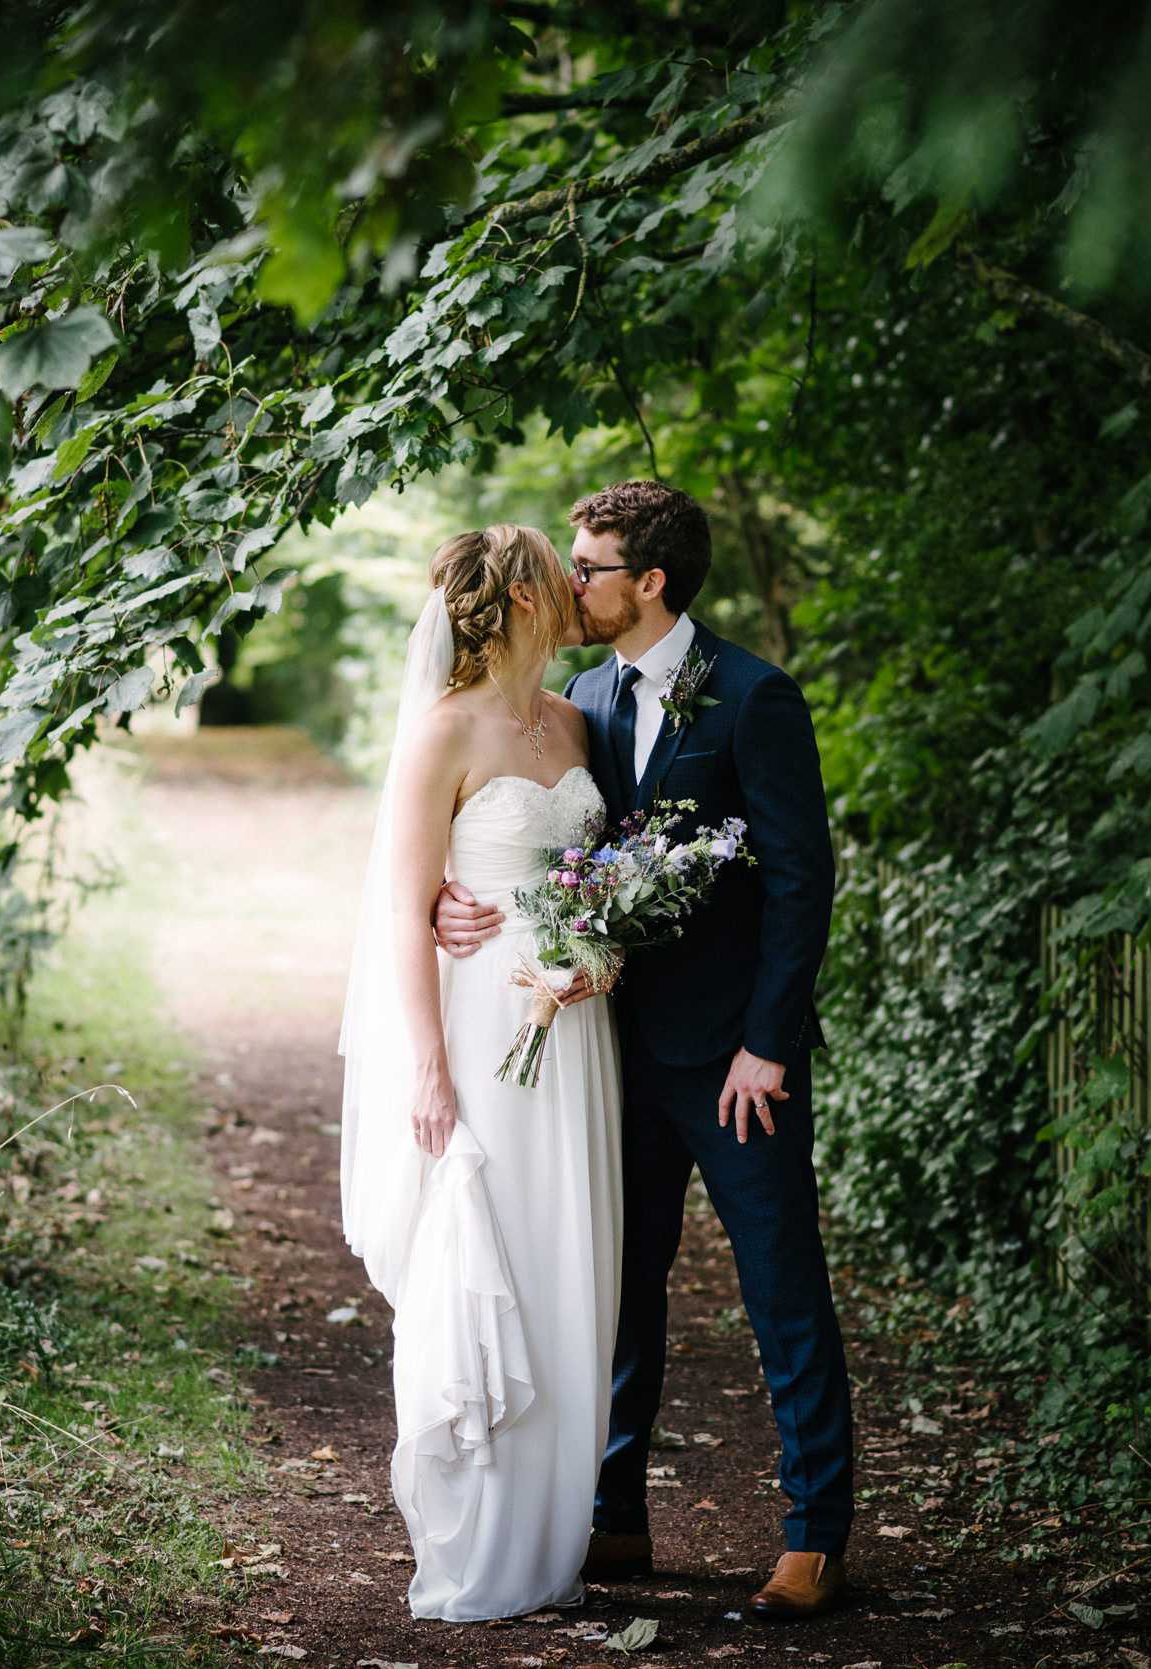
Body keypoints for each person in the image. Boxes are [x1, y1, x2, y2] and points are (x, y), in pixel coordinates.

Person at [432, 481, 854, 1622]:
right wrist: (448, 906)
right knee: (616, 1287)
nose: (573, 583)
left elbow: (800, 879)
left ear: (650, 579)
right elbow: (518, 837)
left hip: (730, 1062)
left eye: (590, 565)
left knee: (780, 1286)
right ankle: (614, 1509)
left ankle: (814, 1532)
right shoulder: (575, 699)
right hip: (601, 1049)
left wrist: (767, 1042)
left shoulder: (755, 697)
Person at [337, 524, 623, 1620]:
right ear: (514, 604)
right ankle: (478, 1540)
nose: (572, 592)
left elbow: (601, 872)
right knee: (484, 1258)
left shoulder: (575, 721)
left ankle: (555, 1548)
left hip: (577, 1031)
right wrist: (427, 1069)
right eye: (557, 579)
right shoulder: (441, 733)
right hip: (482, 1033)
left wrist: (603, 949)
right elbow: (404, 915)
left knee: (568, 1269)